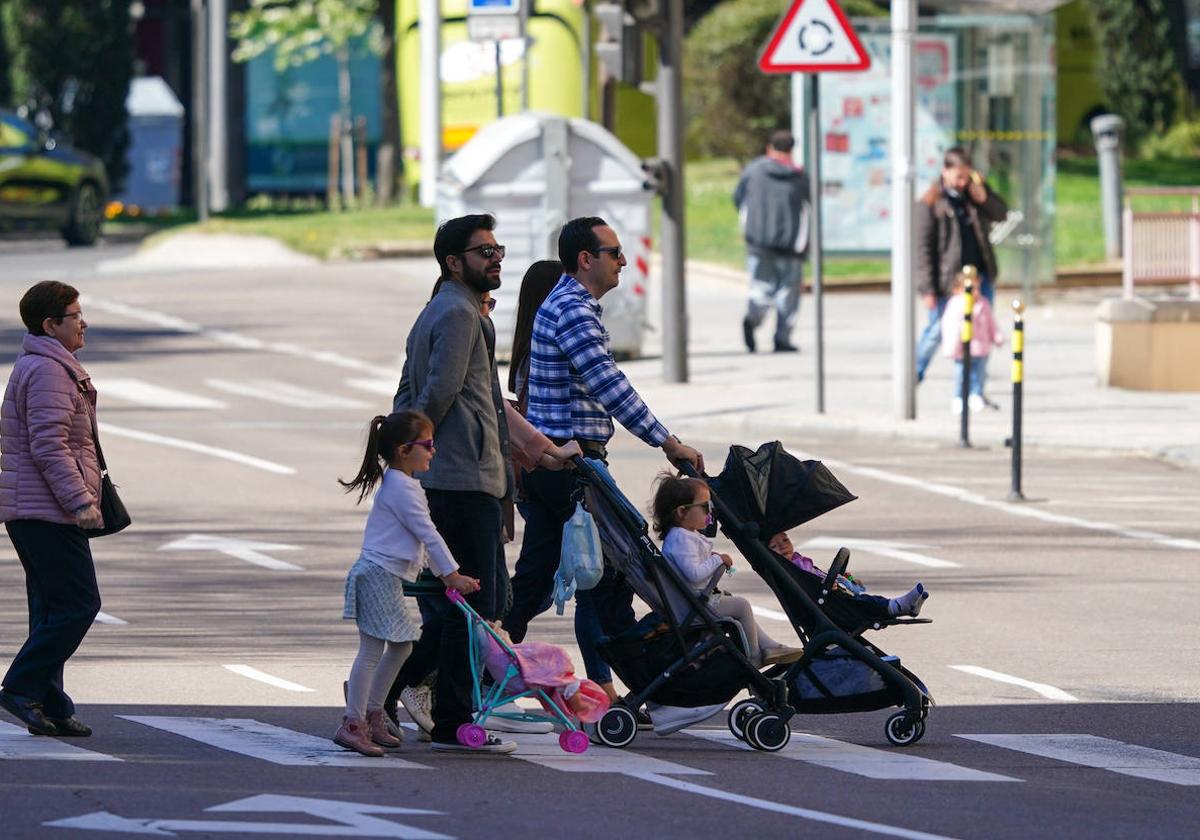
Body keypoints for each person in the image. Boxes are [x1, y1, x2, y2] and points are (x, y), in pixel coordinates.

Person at [391, 213, 580, 754]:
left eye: (498, 250)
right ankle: (430, 709)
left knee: (474, 603)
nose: (495, 259)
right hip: (459, 478)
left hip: (472, 475)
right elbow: (437, 395)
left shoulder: (457, 311)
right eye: (483, 251)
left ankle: (401, 697)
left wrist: (540, 452)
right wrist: (412, 453)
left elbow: (485, 401)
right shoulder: (456, 314)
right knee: (472, 604)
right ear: (454, 263)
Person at [506, 216, 706, 725]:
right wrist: (667, 440)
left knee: (535, 582)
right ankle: (612, 691)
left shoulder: (572, 306)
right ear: (584, 260)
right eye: (614, 252)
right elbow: (607, 384)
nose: (622, 260)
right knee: (610, 573)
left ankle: (468, 669)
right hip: (573, 464)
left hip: (557, 464)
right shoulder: (573, 309)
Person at [334, 410, 481, 757]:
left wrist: (442, 572)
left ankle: (372, 713)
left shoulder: (401, 483)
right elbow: (428, 534)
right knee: (373, 650)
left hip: (381, 573)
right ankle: (354, 724)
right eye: (427, 445)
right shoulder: (402, 489)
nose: (433, 451)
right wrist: (452, 576)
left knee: (401, 647)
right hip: (376, 574)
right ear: (404, 450)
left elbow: (418, 539)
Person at [0, 281, 106, 738]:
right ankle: (21, 687)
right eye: (75, 315)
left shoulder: (54, 366)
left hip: (37, 508)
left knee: (51, 608)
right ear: (50, 325)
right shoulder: (47, 371)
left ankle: (51, 704)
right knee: (80, 603)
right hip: (44, 509)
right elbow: (49, 446)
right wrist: (80, 499)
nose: (83, 322)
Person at [653, 475, 804, 667]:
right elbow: (693, 573)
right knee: (742, 606)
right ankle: (754, 656)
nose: (710, 512)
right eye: (705, 507)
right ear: (682, 512)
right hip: (691, 605)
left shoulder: (686, 534)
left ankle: (769, 646)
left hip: (696, 599)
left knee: (736, 606)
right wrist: (717, 560)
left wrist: (710, 558)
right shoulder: (680, 539)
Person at [914, 147, 1008, 384]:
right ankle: (914, 372)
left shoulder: (974, 197)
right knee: (937, 329)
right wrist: (928, 289)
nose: (962, 182)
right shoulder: (932, 202)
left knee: (980, 330)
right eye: (958, 176)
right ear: (945, 172)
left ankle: (974, 389)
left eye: (967, 176)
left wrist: (984, 197)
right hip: (949, 280)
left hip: (979, 277)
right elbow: (923, 249)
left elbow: (1001, 214)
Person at [733, 129, 810, 354]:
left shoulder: (753, 171)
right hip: (791, 243)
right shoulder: (799, 176)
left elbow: (738, 198)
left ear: (769, 148)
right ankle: (782, 339)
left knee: (760, 287)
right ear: (791, 150)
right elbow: (809, 206)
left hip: (758, 241)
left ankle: (753, 318)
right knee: (788, 292)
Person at [767, 532, 929, 618]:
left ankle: (907, 607)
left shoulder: (798, 560)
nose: (782, 547)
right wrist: (824, 584)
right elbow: (805, 585)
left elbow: (814, 574)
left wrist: (840, 578)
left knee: (863, 599)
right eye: (775, 546)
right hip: (825, 605)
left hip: (832, 594)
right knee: (862, 603)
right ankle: (898, 606)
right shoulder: (786, 570)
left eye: (785, 540)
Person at [941, 271, 1005, 414]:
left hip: (981, 348)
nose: (975, 292)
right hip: (961, 349)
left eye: (977, 288)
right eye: (970, 289)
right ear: (957, 290)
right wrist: (951, 346)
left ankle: (975, 395)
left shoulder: (983, 303)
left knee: (979, 374)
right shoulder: (956, 304)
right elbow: (950, 327)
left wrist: (997, 337)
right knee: (961, 375)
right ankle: (959, 397)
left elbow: (991, 324)